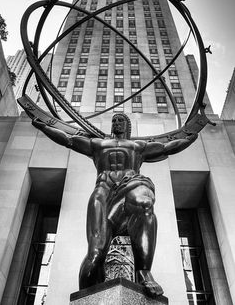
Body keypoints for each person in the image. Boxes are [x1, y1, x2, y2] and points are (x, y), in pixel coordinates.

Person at [32, 113, 197, 298]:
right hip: (103, 191)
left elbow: (166, 148)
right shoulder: (97, 144)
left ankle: (144, 272)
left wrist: (190, 138)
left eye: (120, 120)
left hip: (130, 185)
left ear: (127, 126)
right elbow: (68, 140)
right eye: (114, 121)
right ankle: (86, 296)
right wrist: (44, 127)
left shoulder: (138, 146)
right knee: (95, 255)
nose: (116, 123)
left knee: (144, 202)